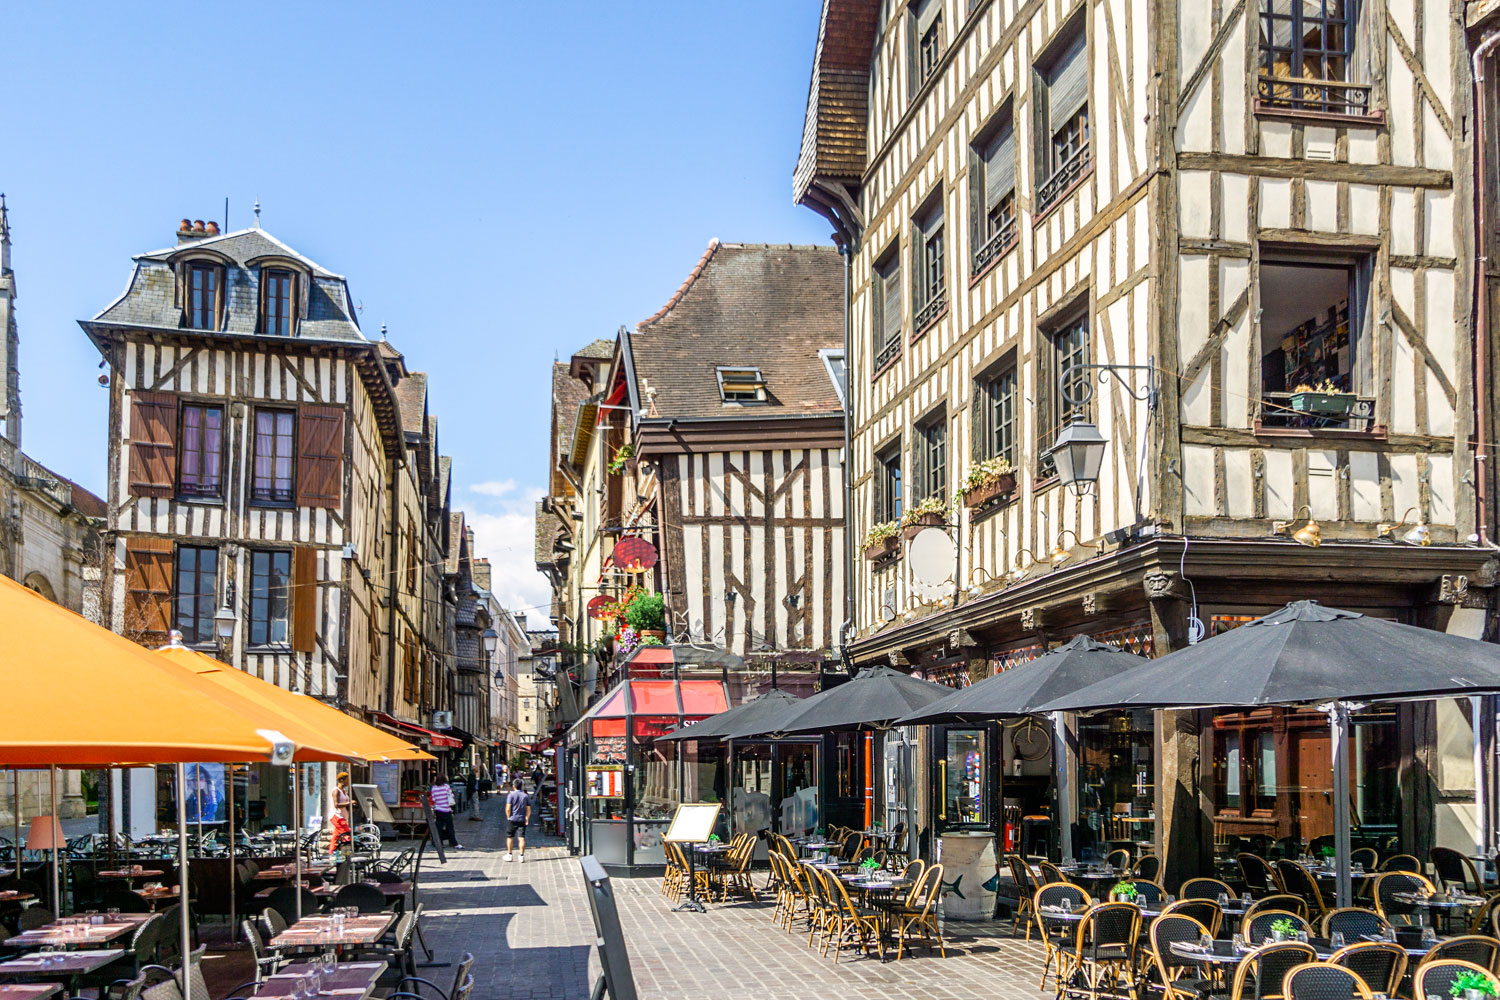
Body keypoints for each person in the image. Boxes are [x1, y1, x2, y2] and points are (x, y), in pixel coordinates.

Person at [503, 778, 531, 863]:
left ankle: (509, 854)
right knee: (521, 838)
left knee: (510, 837)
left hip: (512, 818)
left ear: (513, 786)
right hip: (522, 819)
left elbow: (508, 808)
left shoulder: (511, 795)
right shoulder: (525, 796)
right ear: (521, 786)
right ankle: (521, 856)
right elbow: (528, 809)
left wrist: (508, 817)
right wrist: (527, 818)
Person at [429, 774, 460, 849]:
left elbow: (433, 799)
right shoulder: (446, 787)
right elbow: (451, 796)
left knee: (439, 827)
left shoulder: (433, 788)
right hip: (446, 809)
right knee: (450, 827)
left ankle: (439, 842)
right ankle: (454, 843)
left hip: (438, 809)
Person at [331, 772, 353, 851]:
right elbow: (336, 805)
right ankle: (346, 852)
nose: (349, 782)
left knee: (336, 836)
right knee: (347, 834)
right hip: (337, 817)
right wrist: (350, 803)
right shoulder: (336, 791)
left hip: (343, 816)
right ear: (341, 780)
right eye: (347, 780)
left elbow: (345, 804)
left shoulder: (344, 791)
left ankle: (332, 852)